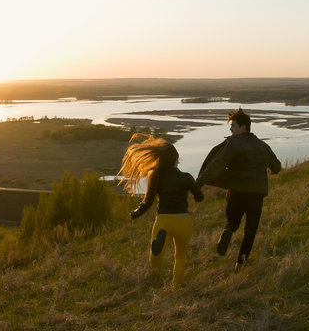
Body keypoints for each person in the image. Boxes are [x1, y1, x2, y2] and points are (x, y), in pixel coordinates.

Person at [197, 108, 281, 272]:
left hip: (236, 191)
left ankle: (228, 230)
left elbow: (217, 164)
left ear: (243, 127)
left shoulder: (233, 143)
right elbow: (277, 167)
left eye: (233, 126)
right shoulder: (263, 146)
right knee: (251, 230)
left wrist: (200, 182)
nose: (231, 129)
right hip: (257, 193)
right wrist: (269, 169)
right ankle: (240, 264)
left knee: (233, 221)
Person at [118, 133, 204, 289]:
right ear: (175, 159)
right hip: (183, 219)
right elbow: (199, 197)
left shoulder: (156, 177)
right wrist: (197, 186)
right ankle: (176, 288)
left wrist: (135, 213)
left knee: (155, 256)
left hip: (164, 219)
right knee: (180, 257)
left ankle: (156, 273)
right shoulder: (186, 177)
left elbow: (147, 202)